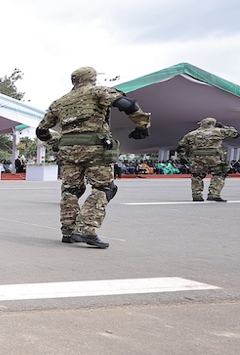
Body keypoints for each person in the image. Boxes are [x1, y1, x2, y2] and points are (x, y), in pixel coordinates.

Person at [36, 66, 150, 248]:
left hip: (68, 150)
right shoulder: (98, 91)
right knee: (105, 188)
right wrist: (142, 126)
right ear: (92, 78)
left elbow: (41, 131)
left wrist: (57, 143)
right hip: (94, 147)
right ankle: (86, 229)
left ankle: (68, 231)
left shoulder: (60, 102)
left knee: (71, 190)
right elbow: (127, 105)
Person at [177, 118, 238, 202]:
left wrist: (182, 158)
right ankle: (214, 194)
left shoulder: (192, 133)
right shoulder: (219, 131)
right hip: (213, 156)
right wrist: (224, 127)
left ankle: (196, 195)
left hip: (196, 156)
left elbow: (181, 147)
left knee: (196, 175)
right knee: (219, 174)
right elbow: (235, 134)